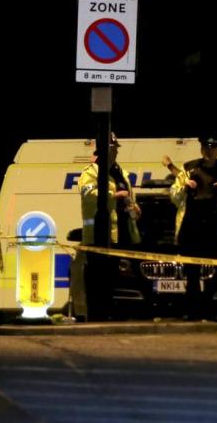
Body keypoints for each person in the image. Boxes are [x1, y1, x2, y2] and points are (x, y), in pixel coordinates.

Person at [74, 132, 141, 321]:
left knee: (114, 279)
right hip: (99, 236)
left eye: (116, 148)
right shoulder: (91, 172)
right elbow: (89, 196)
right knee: (97, 279)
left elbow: (128, 197)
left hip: (122, 236)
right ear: (102, 149)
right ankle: (97, 317)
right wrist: (114, 196)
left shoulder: (121, 173)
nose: (115, 152)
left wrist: (134, 207)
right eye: (112, 148)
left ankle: (111, 315)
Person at [169, 135, 217, 320]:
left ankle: (212, 309)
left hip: (216, 227)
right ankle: (193, 311)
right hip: (192, 227)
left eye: (213, 147)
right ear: (201, 148)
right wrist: (185, 188)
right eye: (206, 147)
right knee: (192, 273)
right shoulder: (189, 168)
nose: (209, 150)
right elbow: (174, 197)